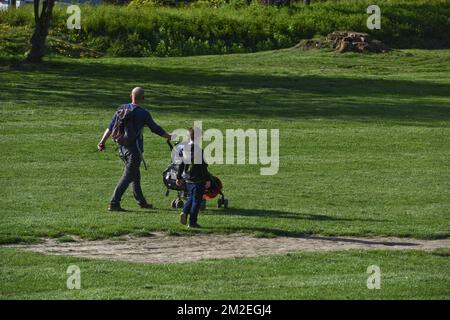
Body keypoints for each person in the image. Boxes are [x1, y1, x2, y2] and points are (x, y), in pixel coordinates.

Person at [97, 87, 174, 212]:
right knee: (128, 176)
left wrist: (102, 142)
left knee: (135, 175)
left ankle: (141, 202)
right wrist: (169, 136)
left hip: (121, 148)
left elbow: (110, 127)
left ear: (130, 96)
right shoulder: (143, 113)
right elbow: (155, 129)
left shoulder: (121, 109)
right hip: (134, 150)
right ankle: (114, 202)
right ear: (143, 98)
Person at [176, 127, 211, 228]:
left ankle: (184, 211)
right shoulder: (199, 151)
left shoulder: (184, 149)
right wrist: (207, 179)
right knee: (197, 201)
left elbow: (181, 164)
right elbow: (203, 167)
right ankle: (192, 222)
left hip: (188, 180)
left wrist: (178, 177)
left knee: (191, 198)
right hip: (198, 180)